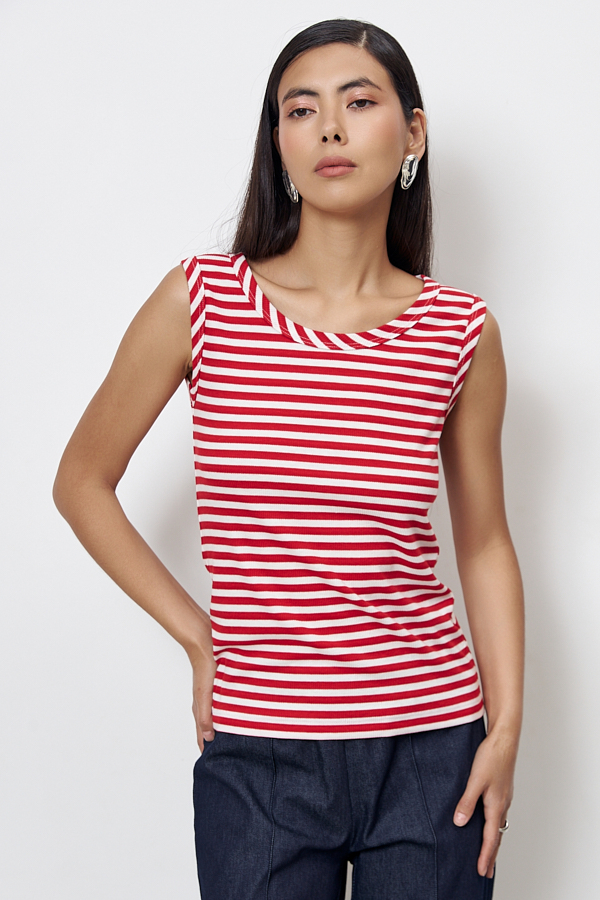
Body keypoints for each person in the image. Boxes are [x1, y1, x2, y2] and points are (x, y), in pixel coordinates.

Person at [53, 17, 524, 900]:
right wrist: (198, 637)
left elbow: (486, 541)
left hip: (433, 746)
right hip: (260, 750)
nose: (330, 128)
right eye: (301, 110)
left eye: (359, 102)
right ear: (279, 143)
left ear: (413, 133)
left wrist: (505, 730)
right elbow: (81, 483)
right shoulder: (204, 299)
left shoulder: (460, 329)